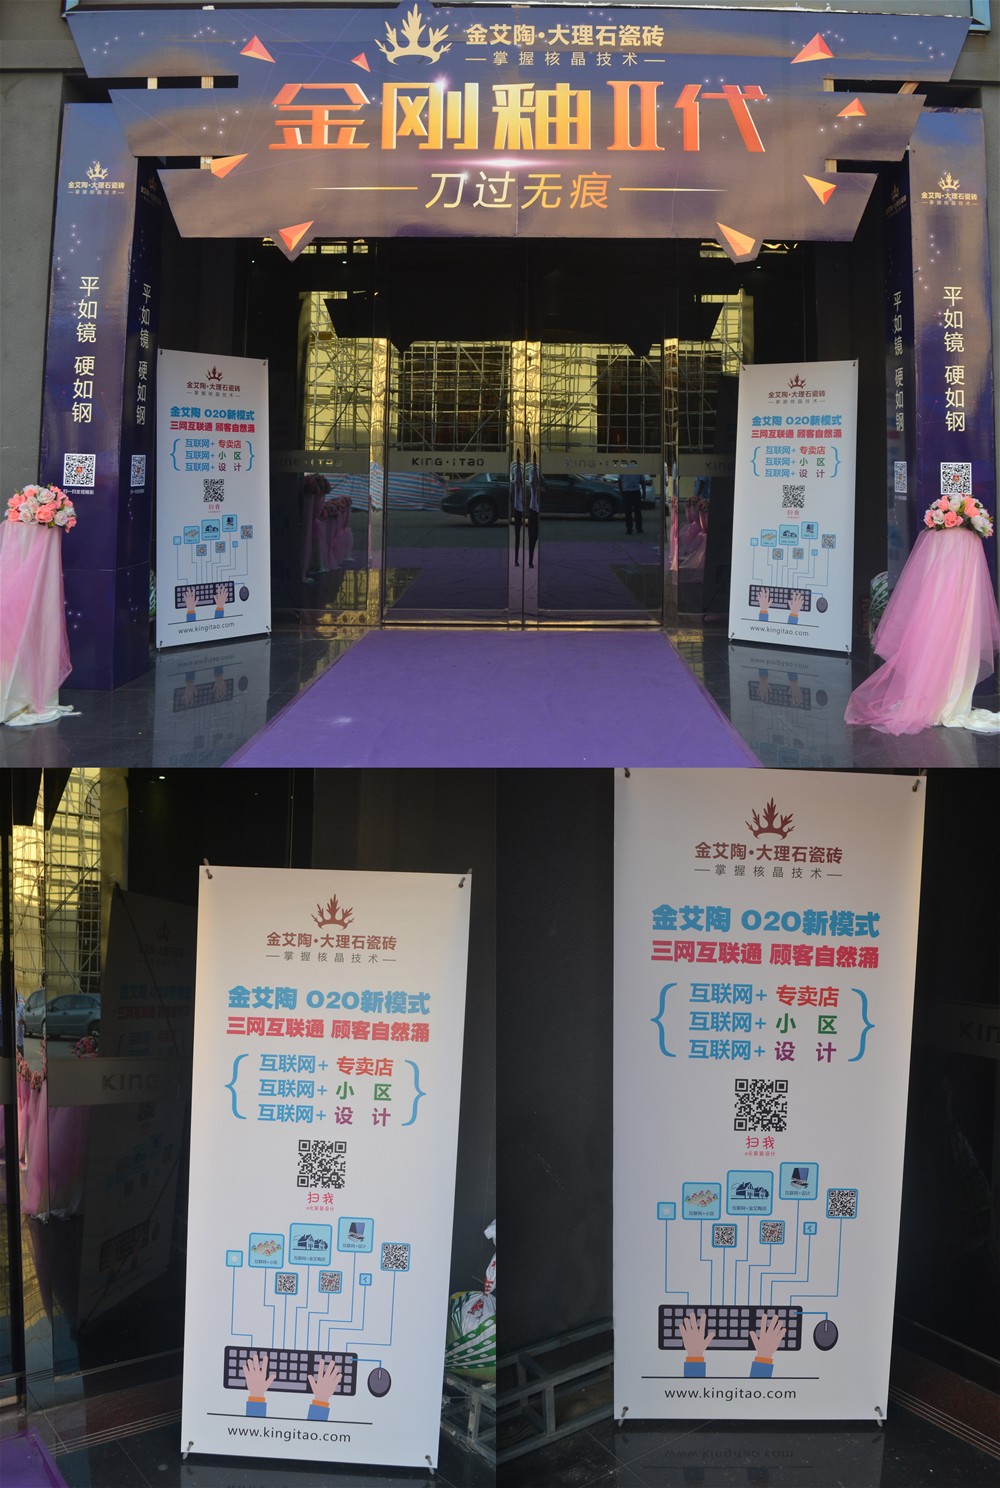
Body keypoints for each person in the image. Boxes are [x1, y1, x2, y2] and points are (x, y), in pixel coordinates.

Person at [617, 469, 644, 535]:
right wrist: (644, 492)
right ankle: (639, 529)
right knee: (637, 511)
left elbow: (619, 480)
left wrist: (621, 491)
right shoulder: (638, 468)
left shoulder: (623, 469)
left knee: (628, 512)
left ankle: (629, 529)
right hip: (635, 492)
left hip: (627, 492)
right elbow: (642, 481)